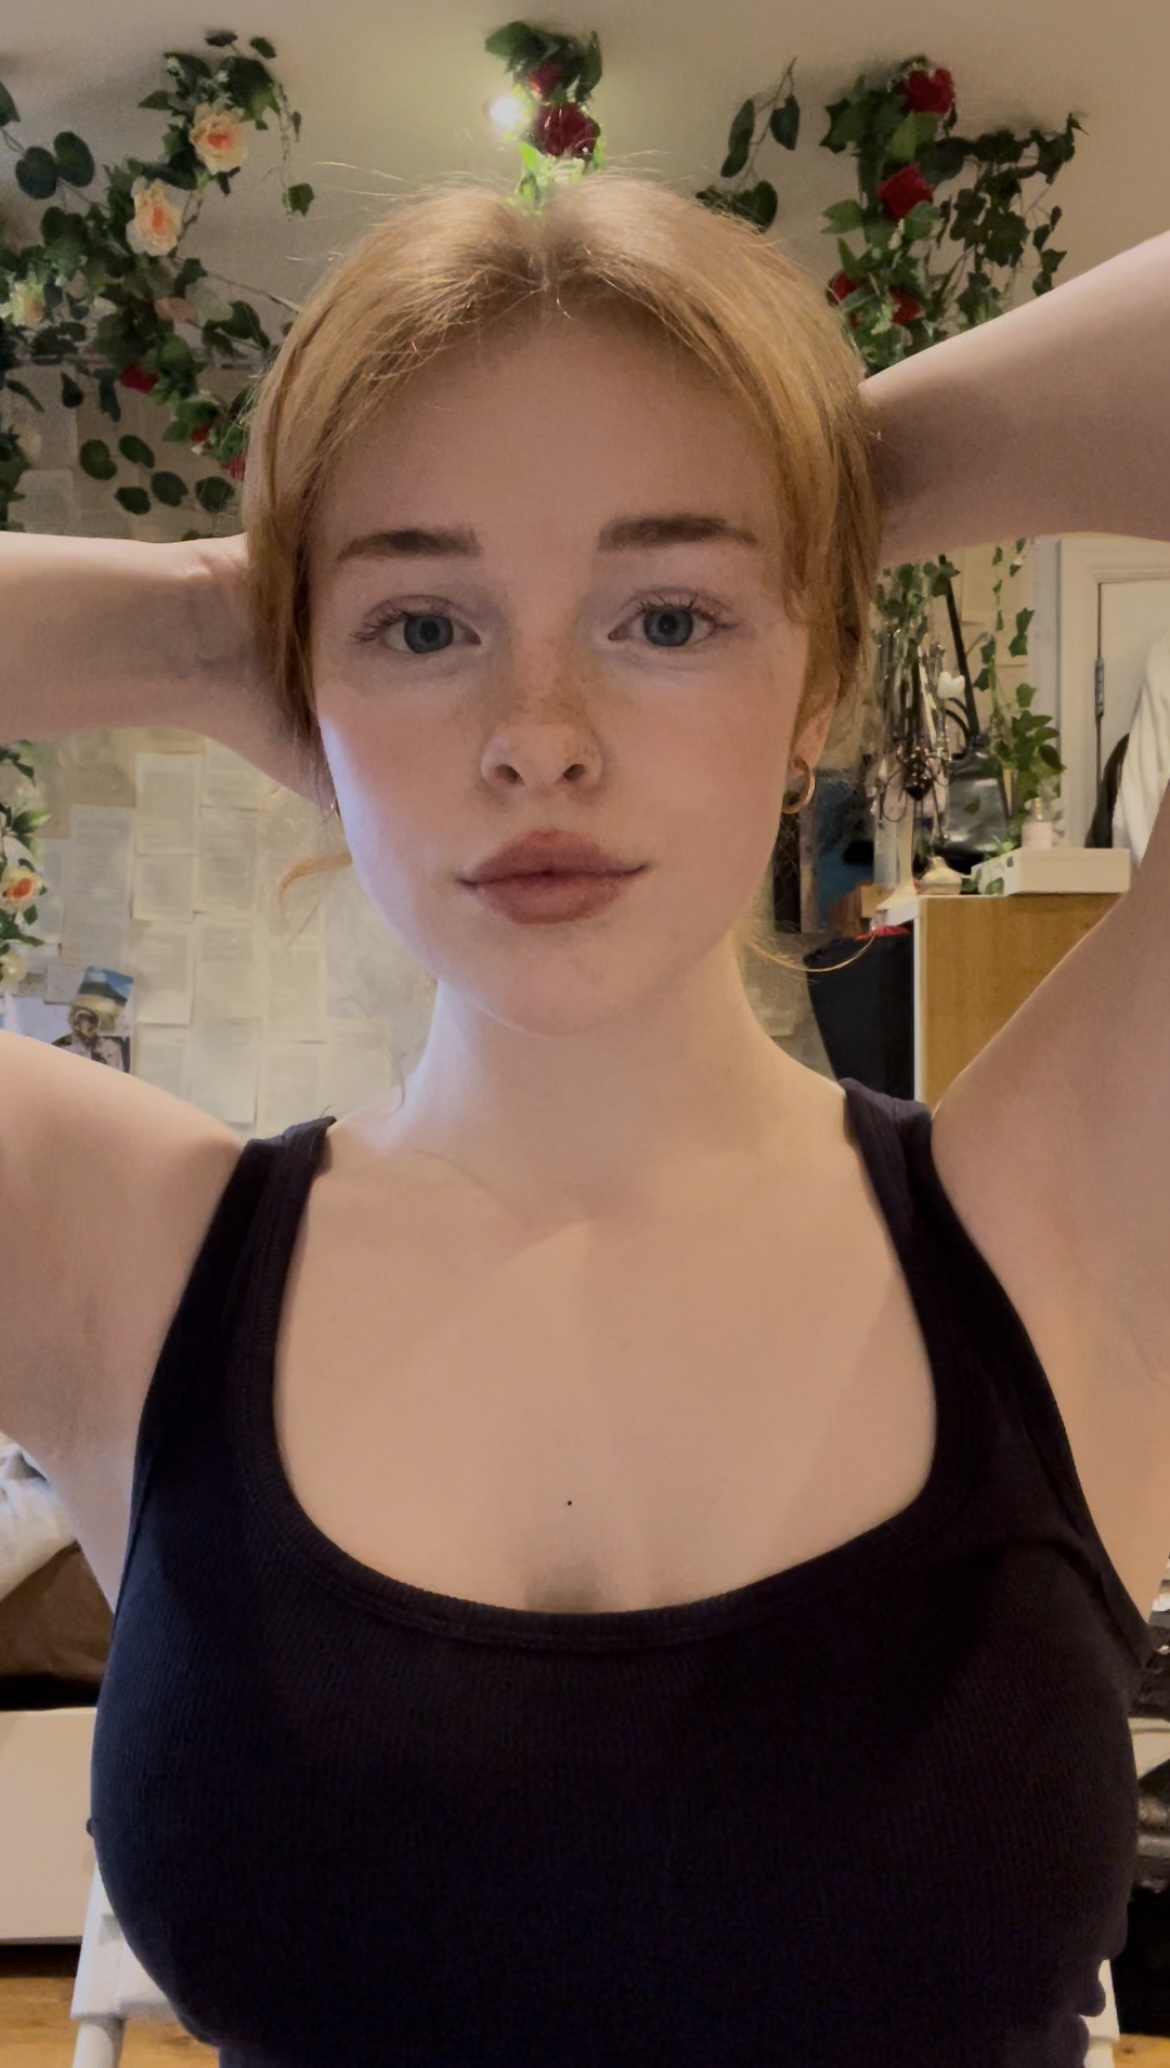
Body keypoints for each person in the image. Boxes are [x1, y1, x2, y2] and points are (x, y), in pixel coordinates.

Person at [0, 174, 1167, 2067]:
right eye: (420, 626)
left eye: (670, 613)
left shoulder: (1065, 1219)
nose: (537, 731)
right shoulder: (111, 1252)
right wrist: (212, 622)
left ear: (816, 679)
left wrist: (820, 470)